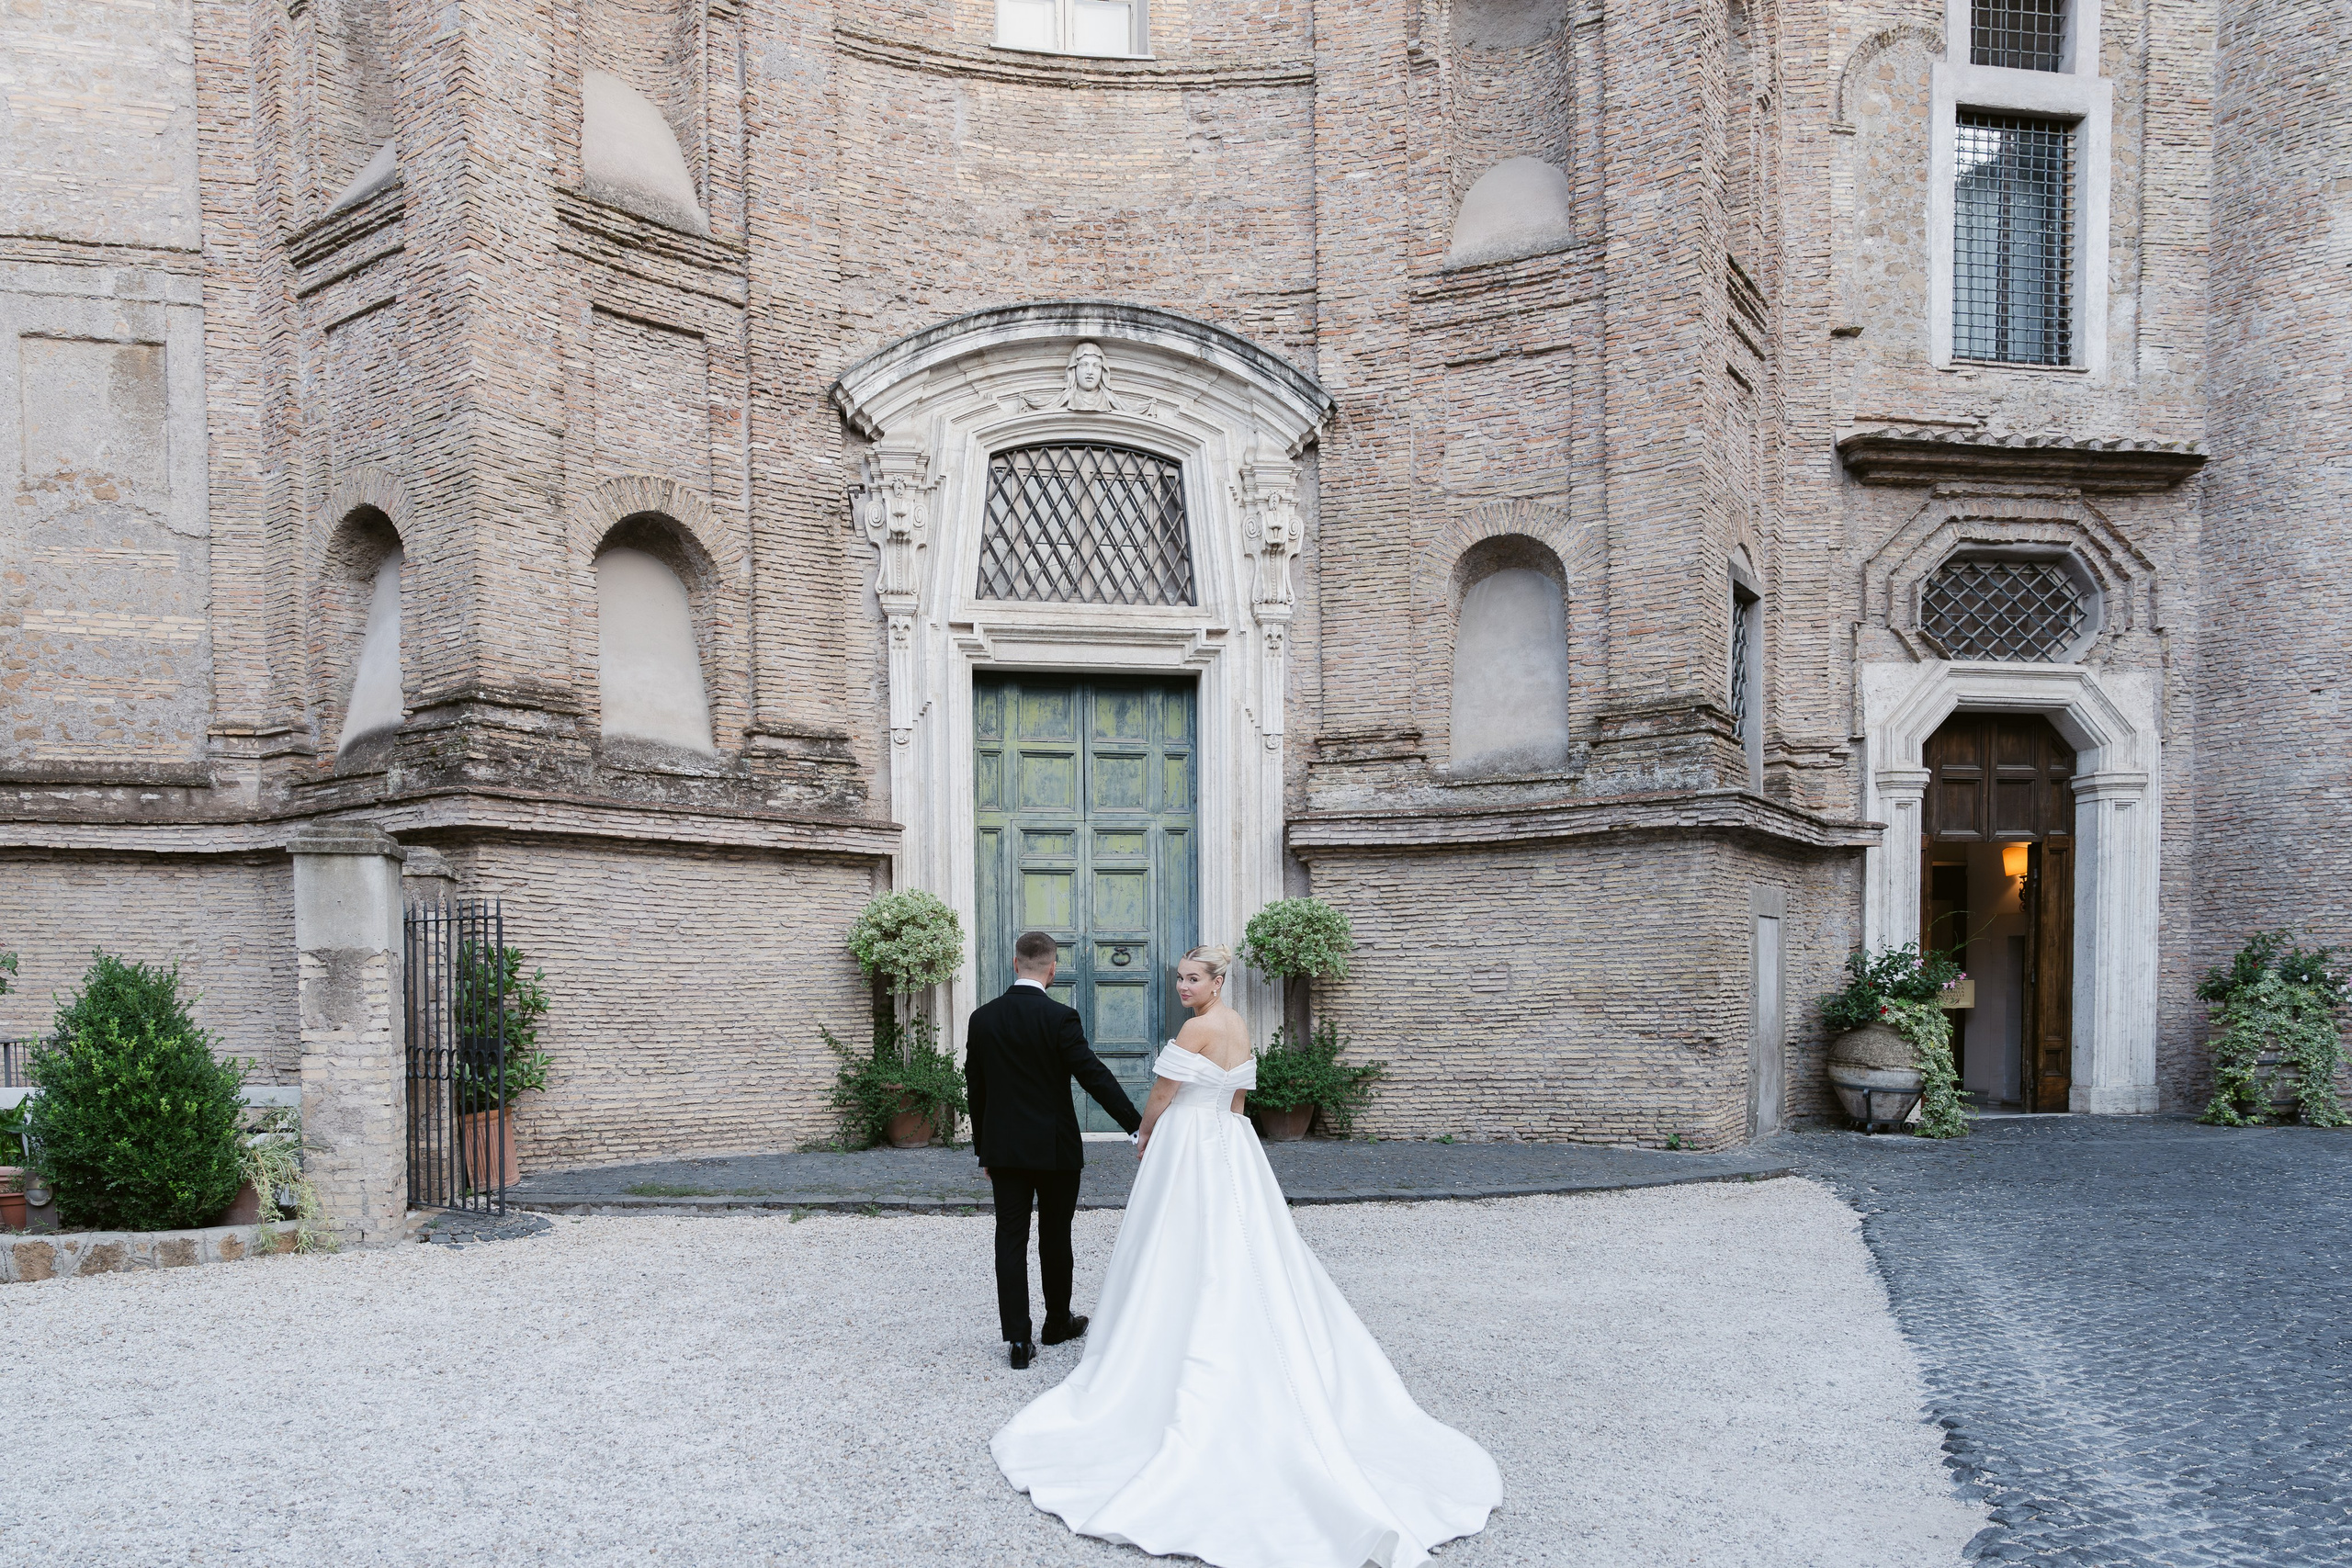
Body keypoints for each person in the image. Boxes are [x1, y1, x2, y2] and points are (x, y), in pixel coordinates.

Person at [989, 944, 1501, 1568]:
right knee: (1244, 1242)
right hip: (1230, 1144)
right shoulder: (1237, 1027)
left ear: (1217, 980)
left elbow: (1162, 1094)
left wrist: (1147, 1133)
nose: (1182, 986)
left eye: (1192, 977)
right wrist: (1224, 1146)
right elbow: (1237, 1104)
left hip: (1186, 1144)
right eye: (1178, 977)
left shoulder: (1198, 1027)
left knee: (1176, 1244)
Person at [965, 929, 1144, 1370]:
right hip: (1055, 1150)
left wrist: (983, 1149)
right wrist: (1138, 1127)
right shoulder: (1061, 1018)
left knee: (1009, 1238)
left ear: (1014, 965)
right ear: (1052, 969)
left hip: (1004, 1150)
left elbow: (976, 1089)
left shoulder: (982, 1018)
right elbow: (1093, 1075)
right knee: (1054, 1235)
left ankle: (1018, 1341)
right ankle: (1057, 1323)